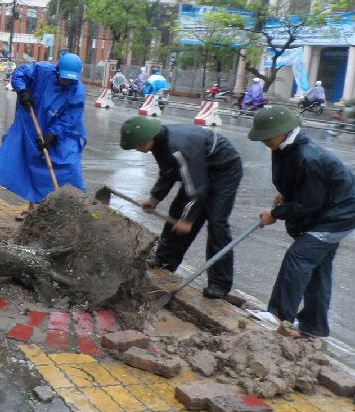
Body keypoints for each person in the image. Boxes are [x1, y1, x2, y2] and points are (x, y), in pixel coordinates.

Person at [248, 106, 355, 338]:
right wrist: (286, 194)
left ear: (285, 131)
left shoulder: (308, 157)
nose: (265, 141)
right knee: (317, 269)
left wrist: (275, 214)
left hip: (339, 214)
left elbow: (309, 202)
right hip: (327, 209)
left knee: (298, 258)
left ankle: (279, 316)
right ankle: (314, 325)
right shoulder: (284, 148)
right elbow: (297, 183)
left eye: (269, 136)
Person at [119, 116, 243, 299]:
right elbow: (168, 172)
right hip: (199, 168)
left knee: (217, 224)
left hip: (223, 170)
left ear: (147, 139)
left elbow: (198, 190)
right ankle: (164, 261)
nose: (138, 150)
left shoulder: (178, 148)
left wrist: (188, 219)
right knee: (177, 211)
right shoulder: (159, 144)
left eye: (138, 146)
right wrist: (154, 198)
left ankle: (219, 283)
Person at [0, 52, 86, 219]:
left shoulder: (77, 91)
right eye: (64, 78)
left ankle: (71, 211)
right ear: (57, 71)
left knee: (67, 167)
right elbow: (19, 73)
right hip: (33, 123)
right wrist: (23, 90)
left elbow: (70, 117)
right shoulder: (42, 70)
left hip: (64, 132)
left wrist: (53, 135)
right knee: (32, 163)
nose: (67, 82)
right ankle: (33, 209)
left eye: (71, 80)